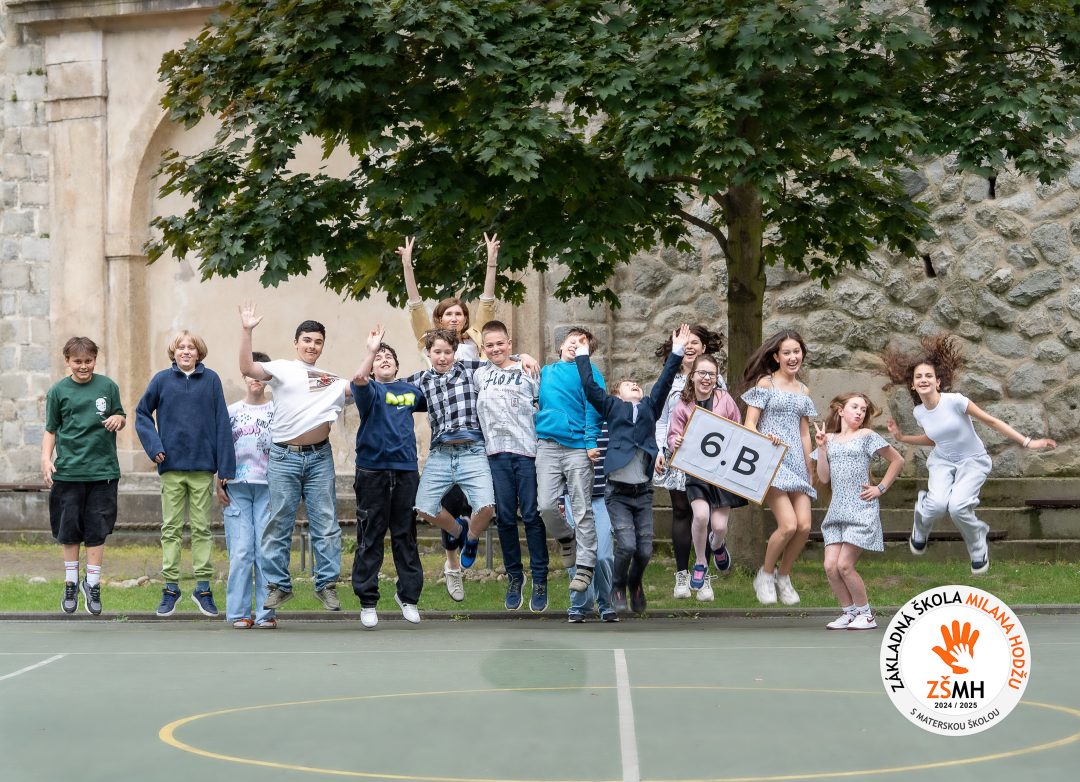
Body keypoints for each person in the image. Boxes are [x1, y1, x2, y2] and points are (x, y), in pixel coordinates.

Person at [882, 335, 1055, 574]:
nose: (923, 380)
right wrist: (902, 438)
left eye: (928, 376)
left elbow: (992, 421)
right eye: (918, 377)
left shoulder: (956, 402)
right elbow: (935, 439)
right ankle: (921, 525)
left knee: (957, 507)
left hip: (973, 461)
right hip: (942, 461)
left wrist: (1028, 442)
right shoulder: (919, 412)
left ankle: (977, 547)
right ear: (913, 385)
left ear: (938, 382)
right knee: (936, 505)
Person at [399, 233, 500, 601]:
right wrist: (407, 265)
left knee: (480, 502)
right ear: (439, 321)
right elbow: (415, 306)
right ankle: (452, 565)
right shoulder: (430, 344)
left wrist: (491, 260)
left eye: (459, 313)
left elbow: (487, 303)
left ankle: (468, 535)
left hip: (476, 425)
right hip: (443, 424)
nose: (454, 318)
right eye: (448, 314)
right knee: (448, 502)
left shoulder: (476, 344)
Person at [238, 304, 351, 613]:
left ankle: (326, 586)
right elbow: (247, 368)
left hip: (319, 458)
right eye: (307, 340)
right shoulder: (281, 368)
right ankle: (279, 585)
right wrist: (247, 331)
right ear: (296, 343)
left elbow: (360, 386)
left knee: (326, 523)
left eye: (317, 342)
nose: (312, 346)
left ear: (323, 346)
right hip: (284, 457)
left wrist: (371, 354)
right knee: (279, 522)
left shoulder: (330, 379)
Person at [577, 325, 688, 614]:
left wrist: (677, 351)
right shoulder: (612, 407)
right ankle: (617, 584)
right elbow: (590, 388)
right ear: (616, 395)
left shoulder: (651, 406)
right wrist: (582, 354)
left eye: (636, 383)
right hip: (617, 493)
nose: (634, 384)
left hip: (643, 493)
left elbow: (664, 381)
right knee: (626, 545)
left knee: (645, 549)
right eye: (627, 384)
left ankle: (635, 582)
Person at [136, 330, 235, 618]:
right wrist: (154, 447)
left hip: (202, 468)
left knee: (202, 529)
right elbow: (142, 414)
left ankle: (203, 588)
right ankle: (171, 588)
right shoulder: (161, 380)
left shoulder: (212, 380)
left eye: (191, 347)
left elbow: (222, 422)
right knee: (171, 529)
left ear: (199, 352)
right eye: (181, 347)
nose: (186, 351)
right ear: (174, 352)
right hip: (171, 468)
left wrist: (225, 467)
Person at [41, 337, 126, 616]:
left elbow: (120, 415)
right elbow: (51, 429)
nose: (83, 366)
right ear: (67, 361)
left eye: (88, 361)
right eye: (77, 361)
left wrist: (119, 419)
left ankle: (93, 583)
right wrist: (46, 459)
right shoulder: (58, 391)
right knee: (69, 530)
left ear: (95, 360)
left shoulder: (108, 386)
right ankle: (70, 583)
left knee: (96, 529)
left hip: (103, 472)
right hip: (68, 473)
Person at [349, 326, 427, 627]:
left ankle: (408, 597)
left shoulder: (411, 391)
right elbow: (358, 379)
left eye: (388, 357)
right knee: (370, 536)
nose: (383, 359)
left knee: (405, 535)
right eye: (379, 357)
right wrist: (371, 351)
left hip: (406, 471)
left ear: (396, 365)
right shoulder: (369, 390)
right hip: (372, 471)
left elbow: (437, 390)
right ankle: (368, 602)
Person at [473, 320, 549, 612]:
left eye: (500, 344)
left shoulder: (528, 370)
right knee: (505, 518)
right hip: (495, 454)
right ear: (483, 348)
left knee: (531, 515)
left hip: (527, 452)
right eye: (489, 345)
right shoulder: (480, 375)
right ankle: (515, 577)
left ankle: (540, 578)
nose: (495, 349)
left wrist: (523, 357)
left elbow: (543, 406)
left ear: (510, 344)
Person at [813, 393, 904, 630]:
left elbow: (898, 461)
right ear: (840, 410)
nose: (860, 413)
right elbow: (824, 478)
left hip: (861, 509)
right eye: (855, 407)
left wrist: (880, 488)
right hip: (837, 512)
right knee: (830, 566)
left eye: (863, 410)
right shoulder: (828, 438)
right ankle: (849, 613)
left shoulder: (867, 436)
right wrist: (821, 449)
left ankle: (866, 615)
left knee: (844, 565)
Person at [740, 330, 817, 606]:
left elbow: (804, 433)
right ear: (776, 356)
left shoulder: (804, 391)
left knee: (804, 526)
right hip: (771, 461)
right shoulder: (766, 383)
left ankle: (783, 576)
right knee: (788, 525)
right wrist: (764, 439)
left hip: (797, 462)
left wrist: (810, 467)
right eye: (787, 352)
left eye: (797, 352)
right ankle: (765, 574)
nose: (793, 357)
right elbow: (750, 424)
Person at [668, 353, 748, 602]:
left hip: (722, 472)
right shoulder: (682, 404)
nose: (706, 378)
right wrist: (675, 441)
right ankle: (701, 562)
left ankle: (717, 545)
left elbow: (738, 427)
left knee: (719, 526)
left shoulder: (724, 399)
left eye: (711, 374)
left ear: (717, 377)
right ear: (692, 376)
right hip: (696, 471)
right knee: (701, 516)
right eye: (701, 373)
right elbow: (673, 435)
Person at [652, 325, 724, 599]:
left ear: (704, 348)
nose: (690, 346)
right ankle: (682, 575)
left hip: (708, 458)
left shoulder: (716, 379)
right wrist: (659, 449)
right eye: (685, 342)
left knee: (705, 515)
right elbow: (660, 419)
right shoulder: (668, 379)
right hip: (677, 453)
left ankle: (703, 575)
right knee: (682, 512)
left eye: (695, 342)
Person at [536, 327, 605, 593]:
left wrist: (590, 442)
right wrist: (522, 358)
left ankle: (585, 566)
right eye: (572, 341)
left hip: (578, 448)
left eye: (582, 343)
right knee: (545, 505)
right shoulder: (545, 372)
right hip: (547, 446)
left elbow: (594, 410)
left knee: (581, 508)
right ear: (561, 345)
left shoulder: (591, 373)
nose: (575, 345)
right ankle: (566, 537)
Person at [218, 351, 276, 629]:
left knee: (266, 552)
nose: (255, 379)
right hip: (237, 488)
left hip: (269, 488)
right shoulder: (231, 412)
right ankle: (239, 612)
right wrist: (218, 478)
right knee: (241, 552)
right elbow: (221, 448)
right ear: (244, 375)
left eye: (260, 375)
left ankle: (266, 613)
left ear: (268, 378)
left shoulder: (278, 410)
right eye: (251, 374)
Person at [567, 423, 617, 623]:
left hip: (604, 496)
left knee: (603, 555)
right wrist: (559, 498)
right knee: (578, 554)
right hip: (572, 495)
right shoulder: (571, 416)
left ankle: (606, 604)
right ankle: (579, 605)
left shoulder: (609, 417)